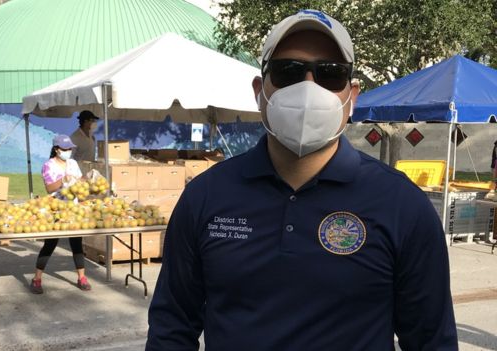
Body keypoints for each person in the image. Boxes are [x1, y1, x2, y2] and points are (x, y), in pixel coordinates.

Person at [146, 9, 457, 350]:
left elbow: (431, 340)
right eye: (287, 71)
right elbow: (172, 327)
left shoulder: (402, 206)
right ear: (259, 89)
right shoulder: (205, 197)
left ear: (351, 96)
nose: (308, 88)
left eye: (330, 74)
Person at [30, 134, 91, 294]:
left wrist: (87, 180)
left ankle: (82, 278)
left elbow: (80, 184)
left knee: (76, 243)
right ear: (57, 149)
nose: (68, 151)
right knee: (50, 243)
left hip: (73, 208)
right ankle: (37, 279)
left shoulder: (73, 163)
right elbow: (50, 188)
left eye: (70, 148)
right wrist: (63, 181)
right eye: (65, 149)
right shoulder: (48, 165)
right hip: (56, 208)